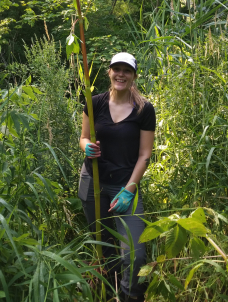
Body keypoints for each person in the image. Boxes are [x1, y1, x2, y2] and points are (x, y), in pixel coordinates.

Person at [78, 52, 156, 302]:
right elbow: (83, 137)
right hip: (92, 182)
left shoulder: (144, 109)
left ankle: (129, 296)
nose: (121, 74)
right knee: (103, 245)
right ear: (109, 72)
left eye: (127, 70)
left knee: (134, 254)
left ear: (133, 76)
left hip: (125, 185)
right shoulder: (94, 102)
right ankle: (108, 290)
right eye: (116, 69)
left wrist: (130, 189)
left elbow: (145, 155)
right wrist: (86, 147)